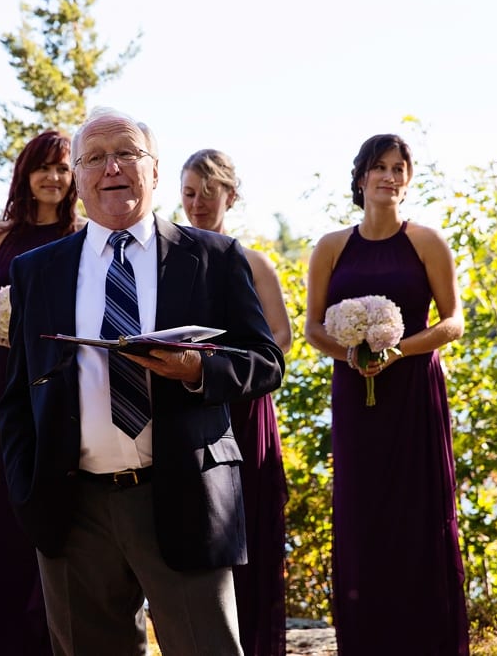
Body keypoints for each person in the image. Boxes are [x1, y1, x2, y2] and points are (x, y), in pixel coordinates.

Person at [0, 107, 284, 656]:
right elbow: (16, 396)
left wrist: (199, 370)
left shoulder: (212, 258)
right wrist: (27, 488)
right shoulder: (37, 270)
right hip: (71, 508)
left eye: (127, 153)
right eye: (96, 158)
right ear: (78, 177)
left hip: (183, 496)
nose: (112, 168)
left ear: (154, 172)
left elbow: (265, 360)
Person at [303, 133, 470, 655]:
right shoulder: (331, 247)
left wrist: (399, 350)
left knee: (418, 512)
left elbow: (454, 321)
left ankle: (427, 638)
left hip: (414, 393)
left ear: (408, 179)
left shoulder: (426, 242)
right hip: (356, 395)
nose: (390, 176)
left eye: (399, 167)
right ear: (360, 178)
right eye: (379, 167)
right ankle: (367, 638)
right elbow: (311, 328)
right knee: (362, 513)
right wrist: (351, 354)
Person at [0, 130, 80, 655]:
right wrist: (5, 335)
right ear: (25, 173)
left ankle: (60, 626)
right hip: (10, 371)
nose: (53, 178)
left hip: (67, 374)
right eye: (44, 168)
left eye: (62, 168)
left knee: (65, 480)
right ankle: (4, 631)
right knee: (11, 483)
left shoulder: (85, 231)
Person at [180, 148, 290, 656]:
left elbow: (281, 340)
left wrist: (221, 365)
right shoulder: (172, 259)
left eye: (209, 191)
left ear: (231, 195)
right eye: (188, 193)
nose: (198, 203)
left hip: (244, 410)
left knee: (254, 531)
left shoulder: (252, 262)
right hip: (191, 408)